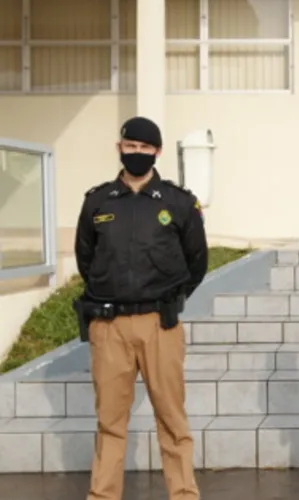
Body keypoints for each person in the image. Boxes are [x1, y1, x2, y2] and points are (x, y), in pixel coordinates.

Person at [74, 116, 207, 500]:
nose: (137, 153)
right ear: (120, 148)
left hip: (159, 324)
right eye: (130, 146)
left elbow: (196, 262)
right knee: (110, 421)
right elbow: (86, 260)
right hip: (109, 326)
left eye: (145, 148)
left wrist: (169, 298)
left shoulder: (178, 202)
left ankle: (183, 494)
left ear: (157, 152)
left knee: (172, 419)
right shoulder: (97, 201)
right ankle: (103, 495)